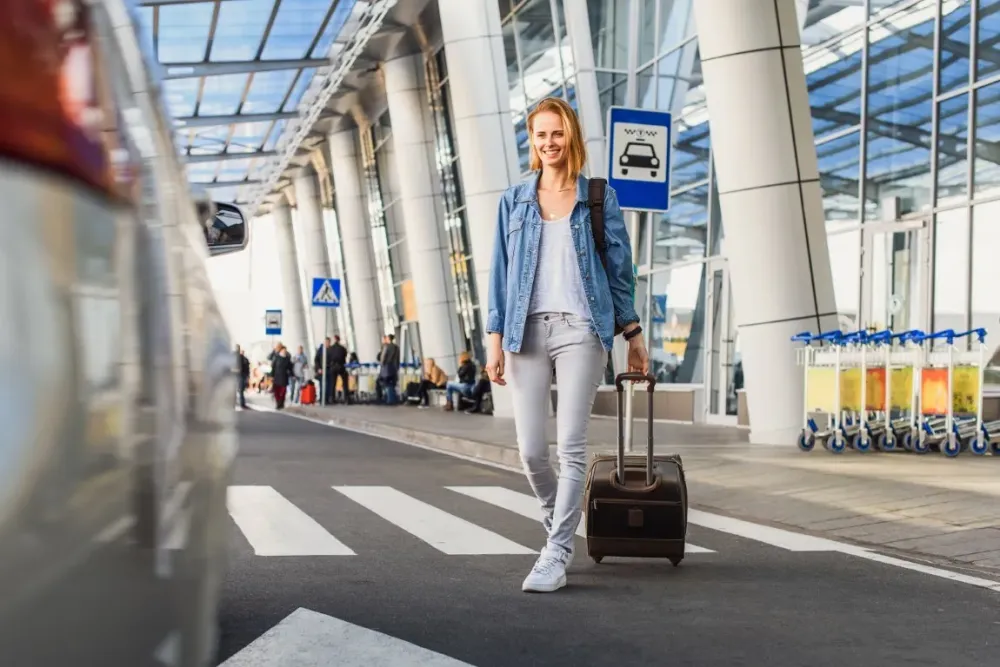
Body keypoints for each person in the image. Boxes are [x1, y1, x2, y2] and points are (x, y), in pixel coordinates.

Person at [485, 96, 649, 594]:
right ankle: (557, 519)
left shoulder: (598, 197)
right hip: (525, 332)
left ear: (571, 136)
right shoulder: (513, 201)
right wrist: (494, 341)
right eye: (540, 135)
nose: (549, 142)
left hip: (582, 329)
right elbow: (499, 275)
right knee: (533, 450)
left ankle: (555, 551)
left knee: (571, 447)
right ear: (531, 141)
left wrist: (633, 335)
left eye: (557, 133)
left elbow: (620, 273)